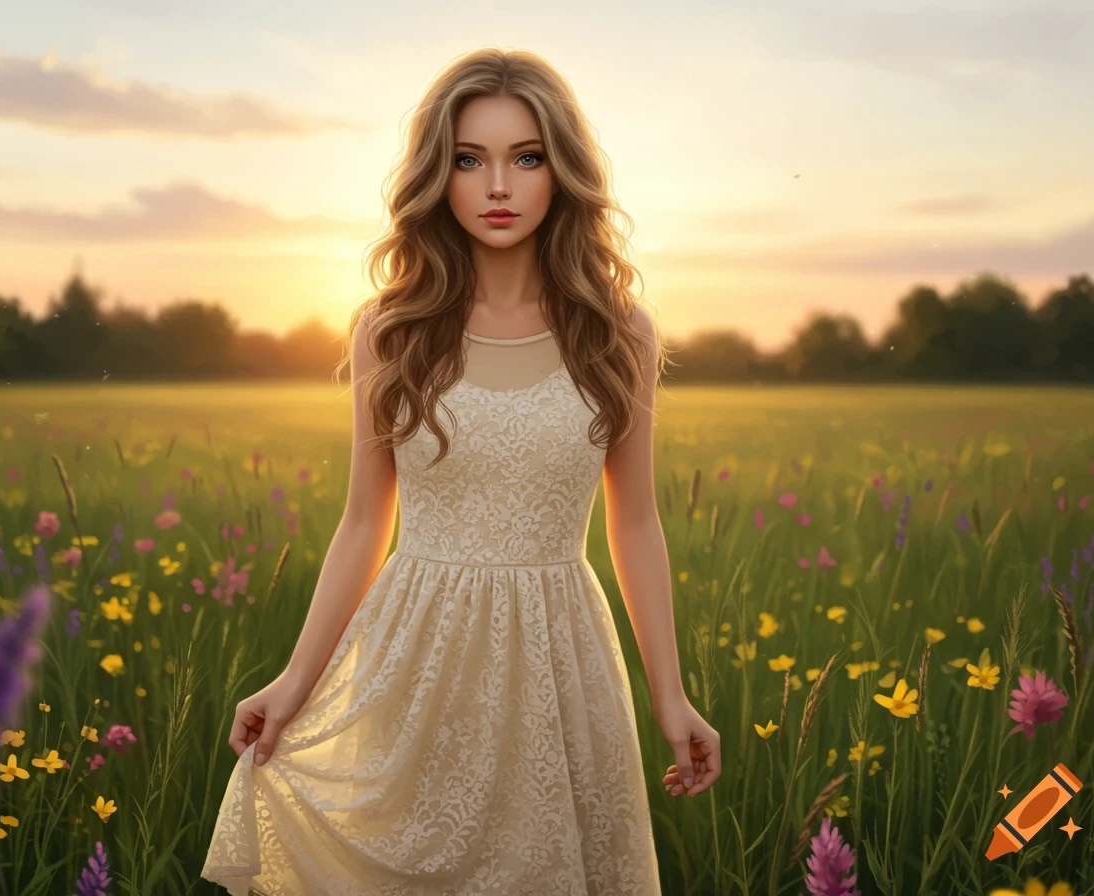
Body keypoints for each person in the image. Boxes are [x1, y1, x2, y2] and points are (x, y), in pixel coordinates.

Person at [201, 46, 721, 895]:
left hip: (562, 657)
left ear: (563, 170)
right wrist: (294, 681)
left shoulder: (617, 329)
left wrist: (671, 697)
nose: (498, 187)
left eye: (527, 157)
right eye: (470, 160)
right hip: (415, 658)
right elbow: (364, 523)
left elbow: (635, 523)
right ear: (438, 175)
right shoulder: (391, 329)